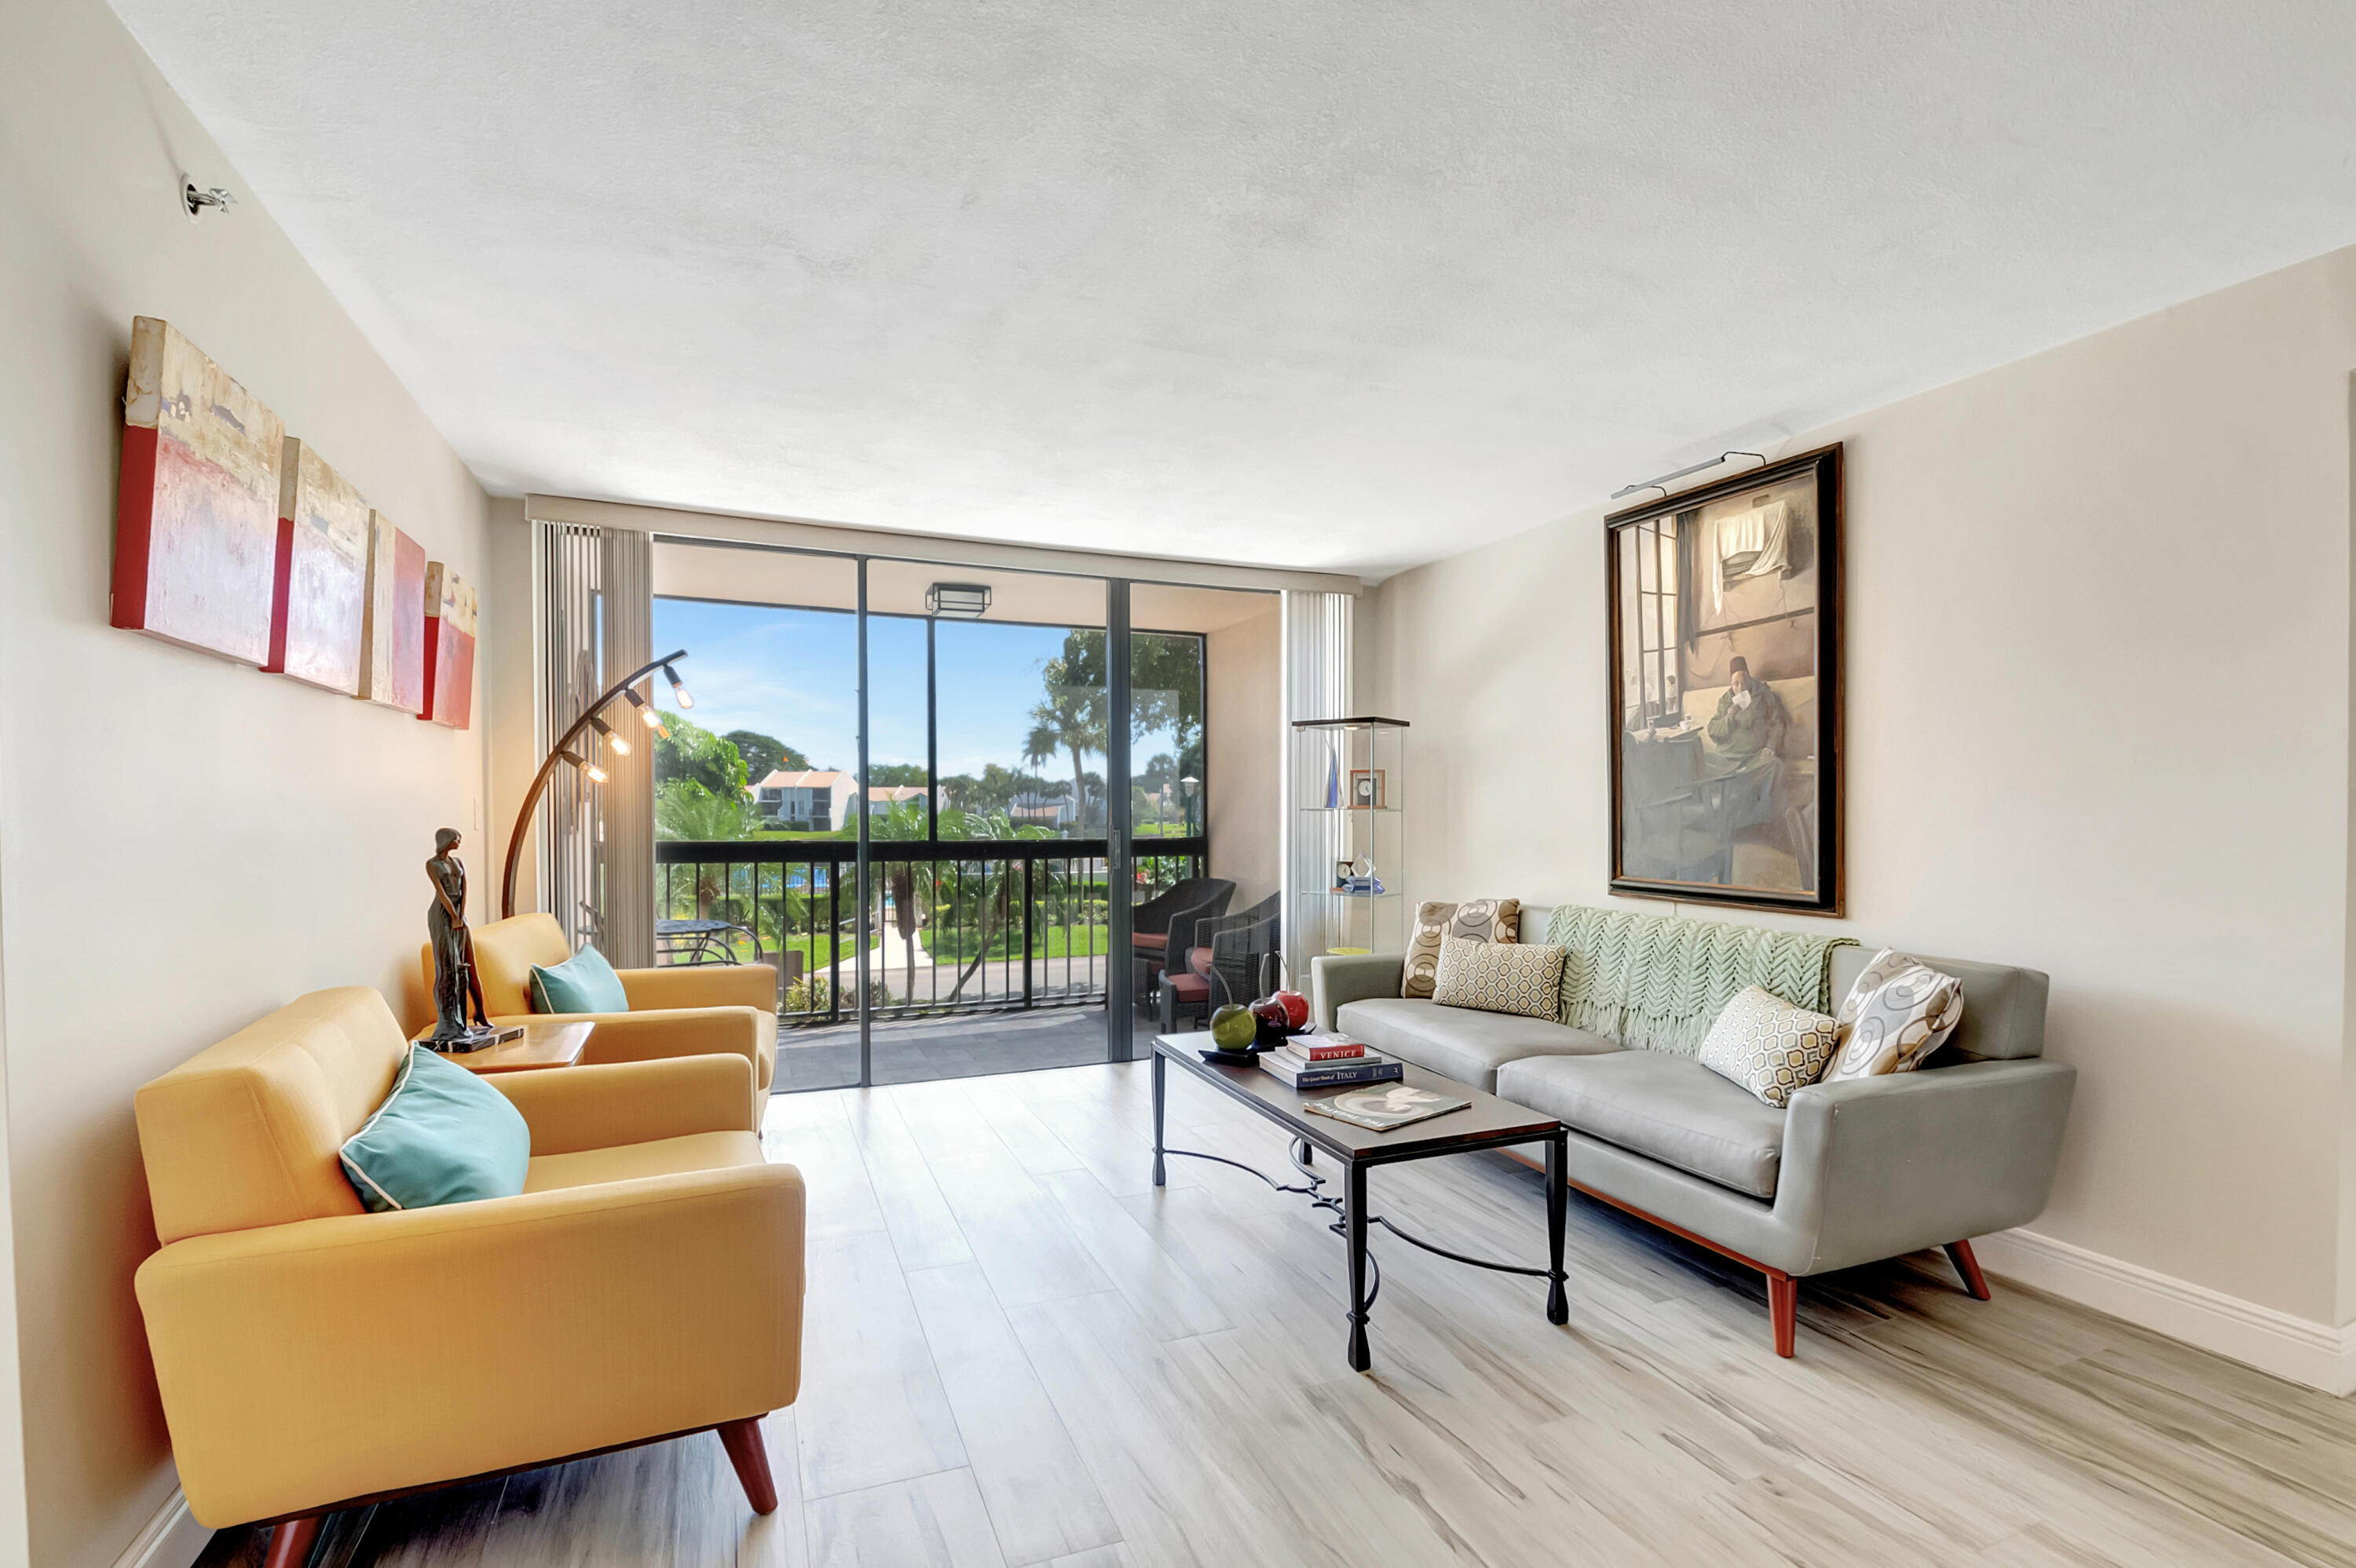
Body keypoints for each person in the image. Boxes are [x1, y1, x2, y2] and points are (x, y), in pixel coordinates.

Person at [426, 828, 492, 1044]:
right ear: (446, 840)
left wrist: (461, 916)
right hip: (442, 915)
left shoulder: (458, 863)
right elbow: (441, 892)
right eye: (456, 838)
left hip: (458, 914)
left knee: (469, 963)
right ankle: (450, 1021)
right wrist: (453, 916)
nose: (459, 841)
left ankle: (480, 1013)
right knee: (449, 968)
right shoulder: (432, 865)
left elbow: (464, 889)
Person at [1706, 656, 1788, 766]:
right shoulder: (1725, 700)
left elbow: (1777, 724)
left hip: (1754, 756)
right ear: (1731, 684)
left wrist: (1770, 746)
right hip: (1727, 755)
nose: (1741, 688)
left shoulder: (1765, 695)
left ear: (1750, 680)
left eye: (1744, 682)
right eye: (1736, 684)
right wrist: (1728, 718)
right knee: (1704, 760)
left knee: (1775, 765)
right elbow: (1712, 730)